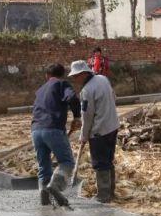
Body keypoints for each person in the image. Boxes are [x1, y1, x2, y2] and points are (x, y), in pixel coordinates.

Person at [69, 60, 120, 203]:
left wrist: (84, 136)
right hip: (112, 126)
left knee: (100, 163)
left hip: (99, 131)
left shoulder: (86, 91)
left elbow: (87, 116)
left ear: (83, 74)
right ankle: (110, 191)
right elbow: (114, 97)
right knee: (108, 160)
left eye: (75, 76)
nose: (74, 79)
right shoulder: (103, 79)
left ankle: (103, 196)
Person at [31, 63, 82, 207]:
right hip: (53, 128)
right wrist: (77, 117)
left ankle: (44, 200)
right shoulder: (62, 84)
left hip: (36, 130)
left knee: (44, 165)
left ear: (47, 76)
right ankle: (55, 186)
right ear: (62, 75)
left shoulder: (40, 89)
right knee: (67, 162)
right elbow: (72, 98)